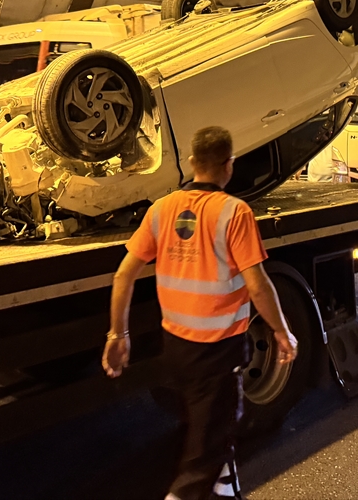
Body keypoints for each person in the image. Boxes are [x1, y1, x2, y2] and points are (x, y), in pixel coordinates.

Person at [102, 126, 297, 500]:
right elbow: (257, 285)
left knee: (213, 425)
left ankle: (225, 488)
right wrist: (281, 332)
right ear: (229, 165)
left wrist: (118, 335)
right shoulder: (234, 213)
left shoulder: (162, 209)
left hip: (175, 346)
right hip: (217, 350)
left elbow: (124, 274)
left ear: (191, 163)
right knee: (203, 454)